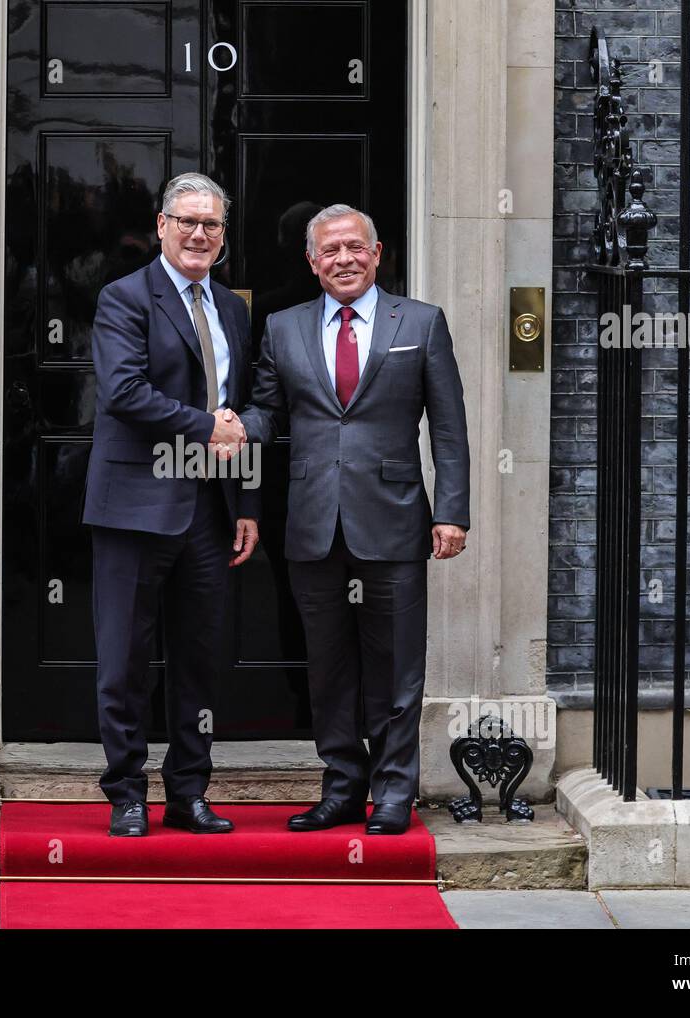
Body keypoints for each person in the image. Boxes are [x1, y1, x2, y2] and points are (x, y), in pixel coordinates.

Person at [239, 203, 471, 834]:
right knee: (328, 666)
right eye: (329, 251)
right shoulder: (284, 328)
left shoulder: (421, 322)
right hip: (312, 523)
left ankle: (395, 792)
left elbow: (448, 428)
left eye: (354, 247)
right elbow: (268, 413)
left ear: (377, 253)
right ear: (312, 264)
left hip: (395, 520)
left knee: (397, 665)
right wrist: (229, 427)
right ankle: (342, 786)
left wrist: (452, 511)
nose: (343, 259)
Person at [83, 172, 260, 837]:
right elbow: (124, 393)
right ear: (161, 226)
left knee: (198, 662)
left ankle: (188, 792)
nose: (198, 234)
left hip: (210, 514)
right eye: (186, 221)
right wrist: (205, 427)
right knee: (124, 662)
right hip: (133, 508)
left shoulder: (234, 311)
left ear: (222, 235)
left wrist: (246, 500)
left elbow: (238, 412)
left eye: (211, 224)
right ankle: (126, 793)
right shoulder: (124, 299)